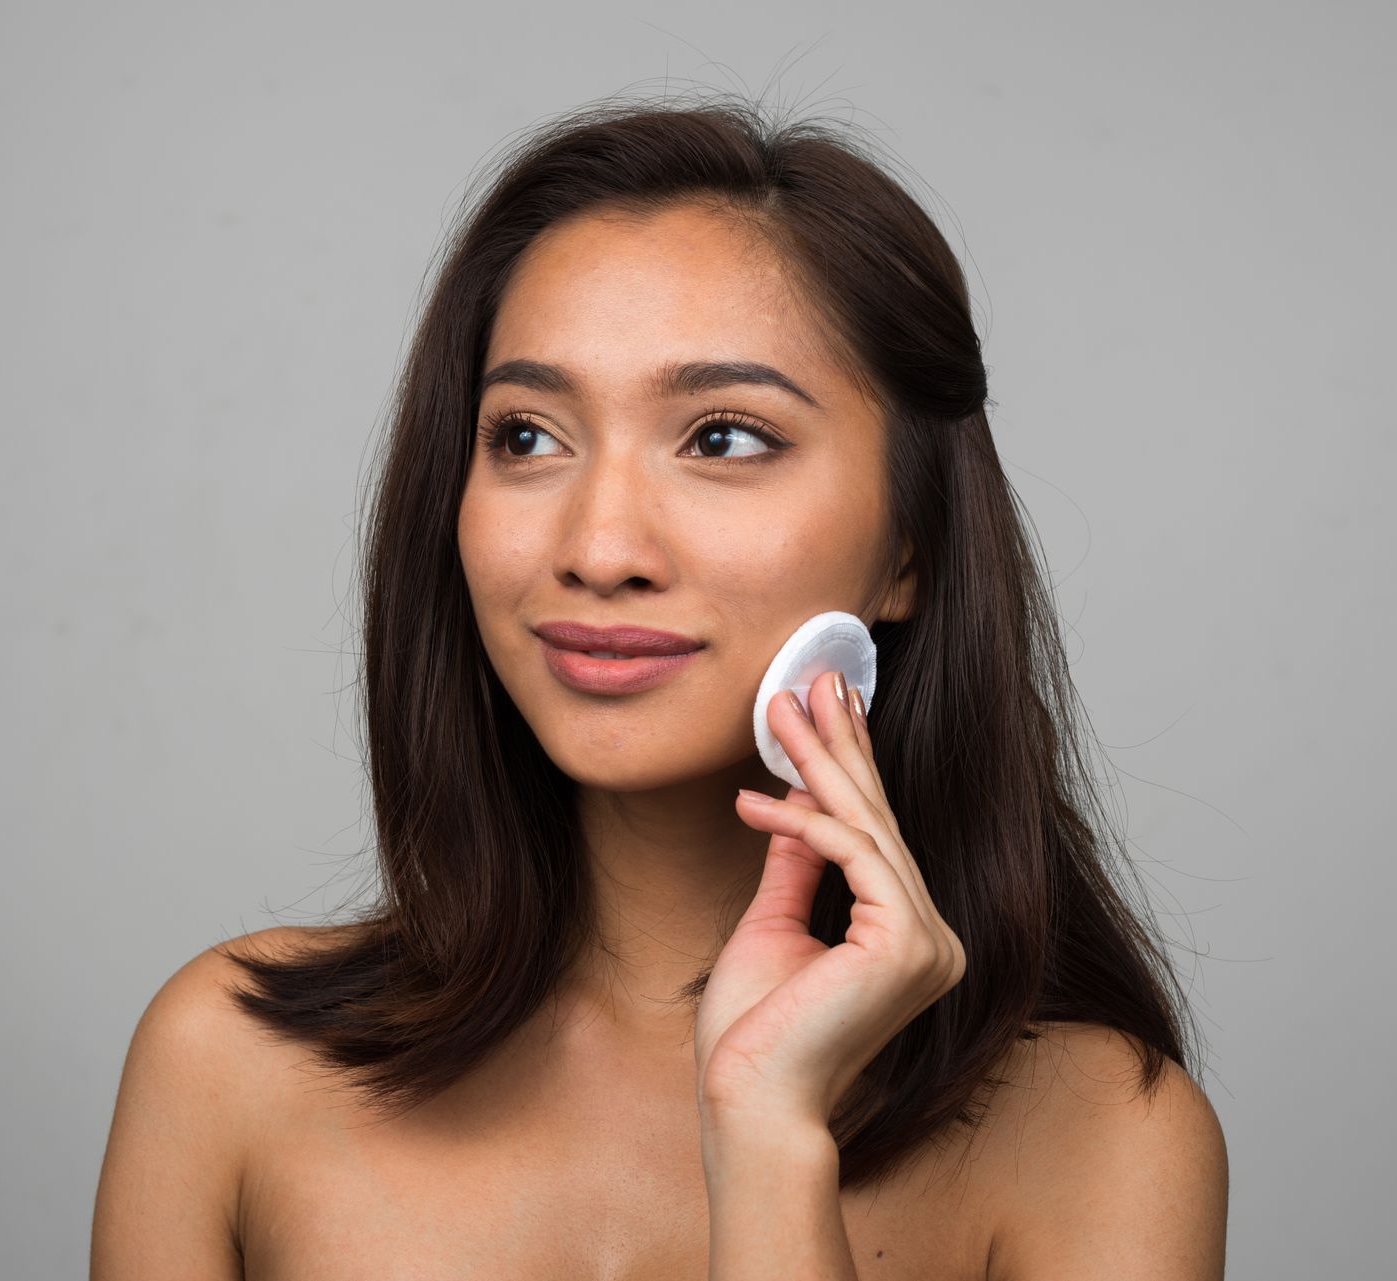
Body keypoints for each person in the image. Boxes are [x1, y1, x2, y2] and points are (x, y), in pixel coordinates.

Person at [91, 93, 1228, 1280]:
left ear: (912, 546)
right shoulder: (227, 1063)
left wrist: (772, 1142)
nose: (597, 546)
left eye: (723, 437)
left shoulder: (1101, 1138)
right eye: (527, 435)